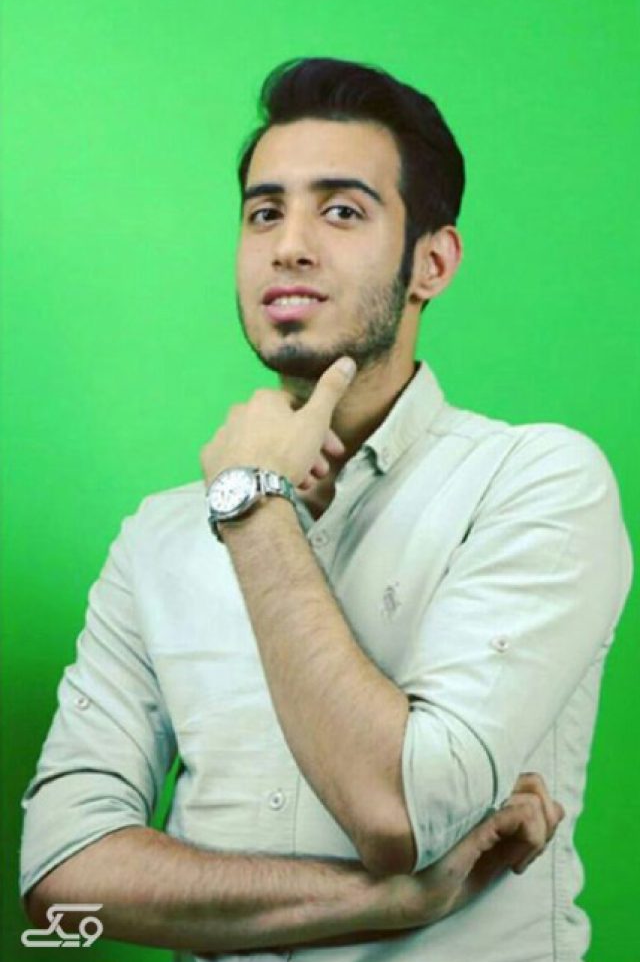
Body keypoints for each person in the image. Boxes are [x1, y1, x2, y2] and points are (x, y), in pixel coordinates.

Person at [19, 58, 631, 961]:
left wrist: (251, 507)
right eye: (265, 212)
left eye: (342, 211)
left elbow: (397, 814)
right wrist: (389, 900)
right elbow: (62, 882)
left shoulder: (535, 480)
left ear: (433, 261)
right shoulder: (159, 537)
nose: (289, 245)